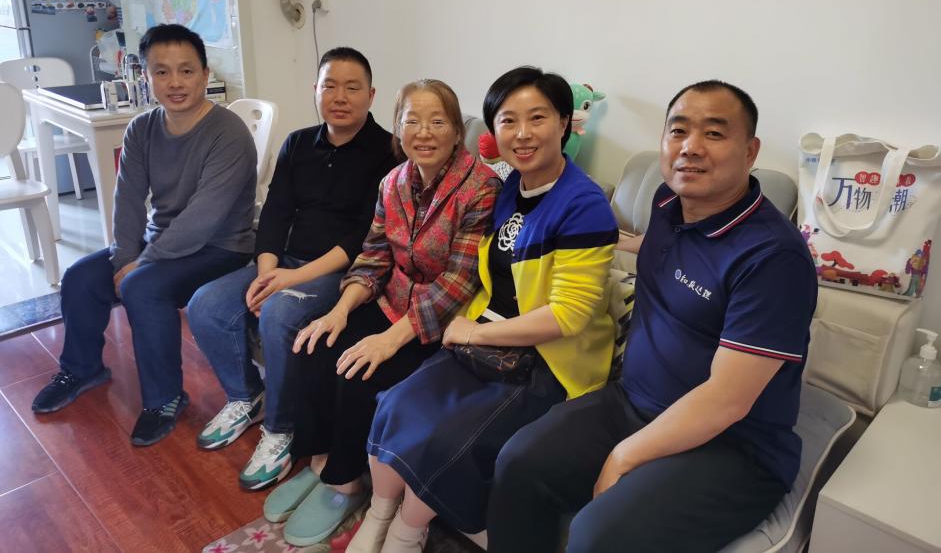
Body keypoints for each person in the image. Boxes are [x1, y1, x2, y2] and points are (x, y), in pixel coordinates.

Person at [486, 81, 818, 553]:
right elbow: (673, 250)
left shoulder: (773, 258)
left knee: (599, 535)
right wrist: (605, 237)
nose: (690, 147)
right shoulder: (667, 202)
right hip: (632, 403)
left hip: (733, 447)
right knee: (518, 462)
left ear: (750, 151)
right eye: (678, 131)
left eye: (714, 133)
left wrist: (624, 456)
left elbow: (727, 401)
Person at [347, 67, 619, 553]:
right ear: (493, 131)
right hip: (483, 340)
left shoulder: (583, 204)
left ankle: (408, 532)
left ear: (564, 123)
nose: (523, 133)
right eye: (508, 120)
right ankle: (378, 513)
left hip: (546, 360)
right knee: (394, 404)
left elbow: (568, 317)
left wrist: (472, 333)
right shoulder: (509, 187)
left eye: (537, 118)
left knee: (444, 439)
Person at [265, 79, 501, 548]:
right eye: (412, 121)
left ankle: (346, 482)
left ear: (458, 130)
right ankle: (321, 462)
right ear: (397, 127)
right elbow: (373, 257)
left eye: (438, 121)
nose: (424, 132)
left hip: (439, 322)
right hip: (392, 301)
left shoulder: (481, 188)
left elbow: (459, 283)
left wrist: (389, 339)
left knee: (360, 371)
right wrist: (339, 310)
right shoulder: (393, 182)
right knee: (316, 343)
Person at [31, 24, 257, 447]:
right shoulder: (141, 128)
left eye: (186, 71)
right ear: (146, 77)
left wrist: (142, 264)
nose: (175, 83)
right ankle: (81, 369)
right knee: (81, 278)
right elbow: (129, 202)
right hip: (161, 244)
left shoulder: (228, 133)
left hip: (220, 247)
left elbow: (203, 219)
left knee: (142, 287)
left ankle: (165, 399)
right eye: (162, 72)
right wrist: (123, 258)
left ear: (205, 75)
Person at [186, 47, 396, 471]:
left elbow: (364, 235)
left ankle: (281, 428)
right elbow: (276, 211)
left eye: (352, 88)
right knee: (204, 305)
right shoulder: (298, 143)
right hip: (284, 262)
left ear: (371, 95)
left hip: (340, 272)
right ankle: (246, 396)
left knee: (279, 312)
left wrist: (287, 281)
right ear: (315, 90)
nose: (340, 97)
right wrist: (267, 274)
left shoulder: (388, 152)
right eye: (329, 86)